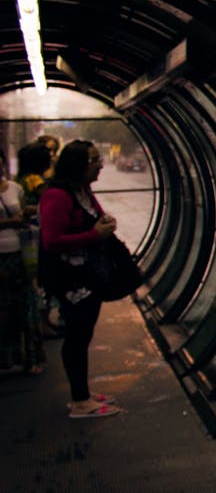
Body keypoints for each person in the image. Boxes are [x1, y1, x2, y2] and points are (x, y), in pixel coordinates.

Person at [40, 140, 122, 418]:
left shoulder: (82, 191)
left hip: (87, 275)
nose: (100, 164)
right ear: (77, 165)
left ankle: (83, 393)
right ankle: (79, 402)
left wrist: (105, 223)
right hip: (70, 279)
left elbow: (95, 218)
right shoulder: (58, 196)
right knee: (76, 335)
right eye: (94, 160)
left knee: (83, 333)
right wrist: (95, 235)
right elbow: (51, 241)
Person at [0, 148, 41, 374]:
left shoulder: (15, 188)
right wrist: (9, 222)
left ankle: (24, 357)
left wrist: (29, 214)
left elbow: (23, 212)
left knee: (22, 305)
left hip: (18, 252)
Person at [16, 142, 59, 339]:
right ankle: (43, 323)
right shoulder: (35, 179)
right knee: (44, 278)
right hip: (38, 233)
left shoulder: (21, 178)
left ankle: (43, 322)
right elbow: (49, 199)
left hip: (28, 235)